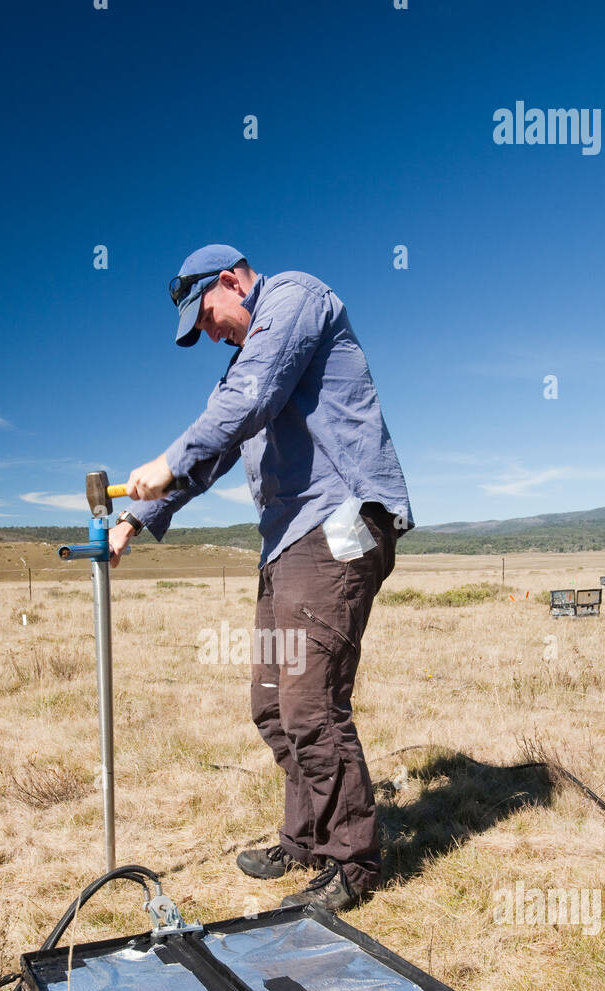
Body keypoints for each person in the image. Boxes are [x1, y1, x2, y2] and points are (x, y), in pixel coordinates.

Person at [111, 244, 414, 910]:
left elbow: (250, 399)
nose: (209, 332)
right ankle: (305, 838)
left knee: (311, 702)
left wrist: (166, 457)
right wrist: (135, 518)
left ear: (230, 280)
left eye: (208, 316)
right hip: (286, 543)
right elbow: (215, 445)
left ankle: (351, 862)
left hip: (340, 522)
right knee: (273, 705)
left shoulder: (295, 299)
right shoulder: (238, 371)